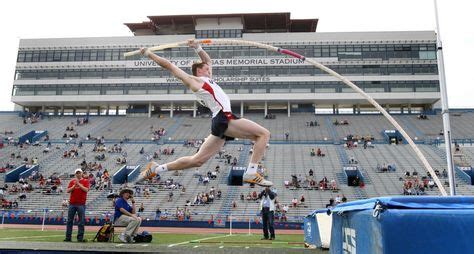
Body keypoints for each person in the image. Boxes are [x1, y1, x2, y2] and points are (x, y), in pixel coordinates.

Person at [136, 40, 272, 187]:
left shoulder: (208, 80)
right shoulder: (195, 81)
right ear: (199, 71)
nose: (210, 69)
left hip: (219, 121)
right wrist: (149, 53)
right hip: (224, 117)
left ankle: (156, 168)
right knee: (263, 134)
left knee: (197, 161)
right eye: (207, 69)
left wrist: (197, 48)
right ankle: (252, 172)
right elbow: (169, 66)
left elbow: (207, 60)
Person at [64, 168, 89, 242]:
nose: (78, 174)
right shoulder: (72, 181)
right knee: (69, 221)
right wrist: (74, 186)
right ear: (75, 174)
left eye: (79, 173)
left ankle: (80, 238)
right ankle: (68, 238)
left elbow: (86, 190)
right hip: (72, 203)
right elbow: (68, 191)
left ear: (82, 173)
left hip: (81, 204)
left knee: (81, 221)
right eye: (77, 173)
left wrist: (78, 184)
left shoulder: (85, 181)